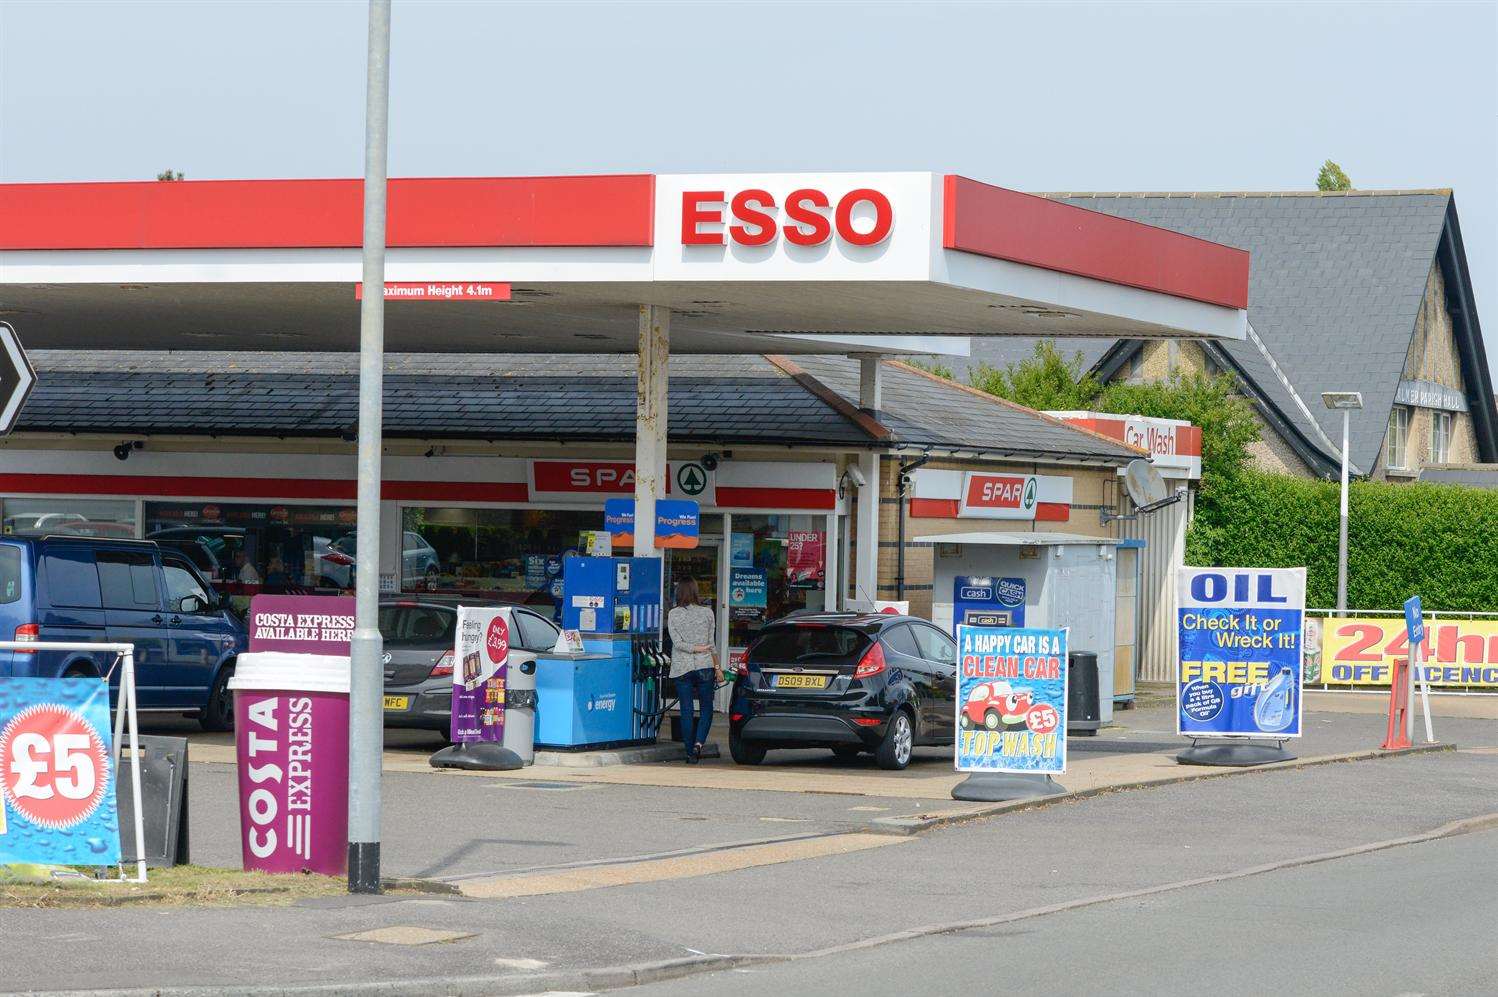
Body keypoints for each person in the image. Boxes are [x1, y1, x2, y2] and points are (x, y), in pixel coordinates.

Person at [667, 577, 720, 764]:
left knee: (686, 711)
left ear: (679, 593)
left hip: (682, 667)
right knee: (707, 709)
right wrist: (718, 668)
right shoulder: (708, 613)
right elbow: (711, 644)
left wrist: (691, 648)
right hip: (705, 666)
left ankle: (690, 752)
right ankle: (699, 743)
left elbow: (677, 643)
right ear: (696, 592)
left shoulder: (673, 614)